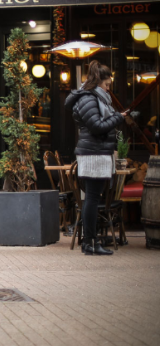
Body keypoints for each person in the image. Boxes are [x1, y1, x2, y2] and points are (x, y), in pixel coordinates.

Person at [64, 60, 126, 256]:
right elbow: (97, 126)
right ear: (98, 81)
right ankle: (90, 243)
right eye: (107, 85)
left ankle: (90, 242)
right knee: (91, 198)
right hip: (93, 153)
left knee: (92, 197)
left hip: (95, 152)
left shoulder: (93, 97)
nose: (109, 90)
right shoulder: (88, 98)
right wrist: (119, 117)